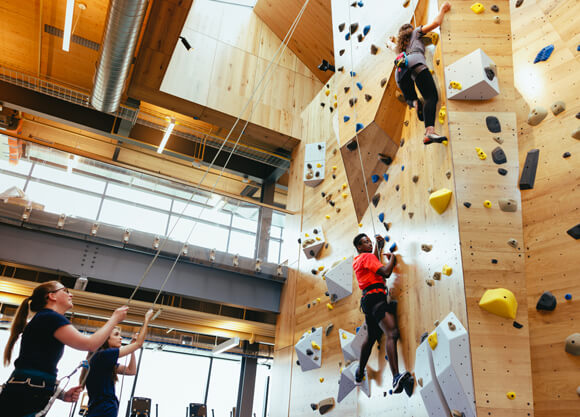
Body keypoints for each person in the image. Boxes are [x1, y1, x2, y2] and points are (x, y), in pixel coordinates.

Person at [0, 280, 129, 417]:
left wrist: (61, 394)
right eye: (66, 291)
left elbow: (37, 365)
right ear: (52, 296)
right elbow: (90, 344)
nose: (71, 295)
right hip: (26, 395)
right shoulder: (50, 317)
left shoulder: (45, 319)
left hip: (25, 393)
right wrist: (114, 319)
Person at [352, 234, 412, 394]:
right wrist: (393, 258)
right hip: (376, 299)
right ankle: (396, 377)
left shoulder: (359, 260)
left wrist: (377, 247)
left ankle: (359, 372)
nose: (369, 243)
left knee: (371, 338)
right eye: (365, 242)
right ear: (359, 247)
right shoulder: (366, 257)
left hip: (368, 300)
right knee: (392, 333)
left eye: (369, 241)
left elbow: (374, 266)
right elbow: (385, 272)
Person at [394, 1, 452, 145]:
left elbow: (391, 47)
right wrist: (443, 10)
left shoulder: (401, 48)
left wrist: (390, 43)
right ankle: (429, 132)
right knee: (431, 96)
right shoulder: (415, 33)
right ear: (410, 29)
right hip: (416, 63)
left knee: (416, 97)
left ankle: (414, 102)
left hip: (402, 72)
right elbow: (435, 23)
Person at [81, 308, 154, 417]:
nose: (120, 338)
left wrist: (132, 350)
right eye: (116, 334)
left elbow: (131, 371)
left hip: (102, 409)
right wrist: (147, 319)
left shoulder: (103, 359)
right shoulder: (104, 355)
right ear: (106, 339)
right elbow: (139, 344)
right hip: (104, 409)